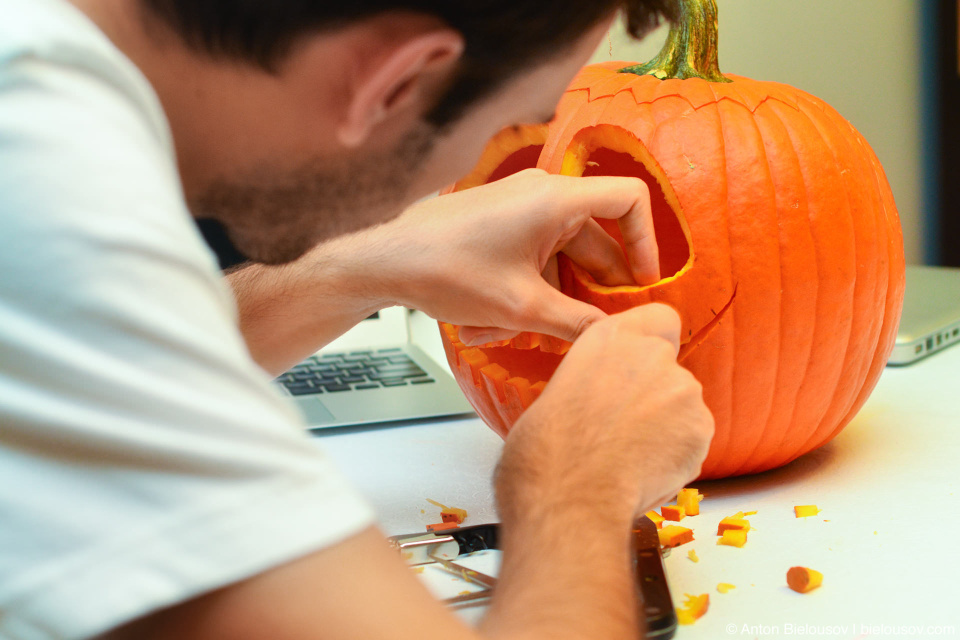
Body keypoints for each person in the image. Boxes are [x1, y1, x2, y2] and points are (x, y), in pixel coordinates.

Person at [0, 0, 715, 638]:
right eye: (508, 122)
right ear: (398, 83)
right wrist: (578, 489)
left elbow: (104, 375)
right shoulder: (42, 187)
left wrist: (356, 267)